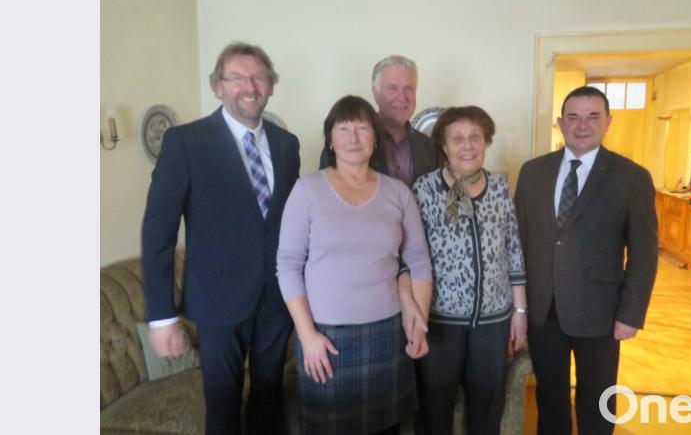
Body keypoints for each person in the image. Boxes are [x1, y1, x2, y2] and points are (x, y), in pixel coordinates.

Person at [141, 42, 299, 435]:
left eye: (259, 76)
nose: (249, 85)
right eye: (237, 77)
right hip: (217, 301)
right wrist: (162, 317)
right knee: (224, 410)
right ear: (217, 87)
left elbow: (289, 224)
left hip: (277, 300)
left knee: (269, 402)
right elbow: (158, 233)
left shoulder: (287, 145)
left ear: (271, 86)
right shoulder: (185, 142)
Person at [277, 95, 433, 434]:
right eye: (343, 128)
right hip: (325, 336)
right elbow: (287, 265)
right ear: (330, 139)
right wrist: (307, 335)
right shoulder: (307, 190)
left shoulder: (398, 193)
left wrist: (417, 320)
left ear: (374, 138)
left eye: (361, 127)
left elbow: (418, 260)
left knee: (387, 428)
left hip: (388, 332)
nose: (352, 137)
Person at [514, 86, 658, 434]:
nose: (582, 125)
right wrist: (517, 308)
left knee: (597, 402)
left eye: (593, 116)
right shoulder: (533, 172)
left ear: (608, 122)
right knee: (550, 398)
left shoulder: (631, 177)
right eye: (574, 117)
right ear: (560, 123)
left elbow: (644, 252)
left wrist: (631, 314)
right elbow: (516, 242)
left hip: (602, 315)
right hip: (543, 309)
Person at [409, 106, 528, 435]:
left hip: (493, 322)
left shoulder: (501, 189)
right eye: (457, 138)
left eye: (475, 137)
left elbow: (513, 250)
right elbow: (410, 256)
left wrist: (520, 311)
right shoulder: (424, 189)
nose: (467, 145)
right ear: (444, 146)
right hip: (440, 322)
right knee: (435, 409)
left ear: (486, 142)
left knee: (488, 407)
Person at [319, 55, 439, 187]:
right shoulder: (347, 143)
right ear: (375, 93)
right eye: (393, 88)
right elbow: (327, 194)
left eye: (408, 89)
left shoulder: (429, 147)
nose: (402, 97)